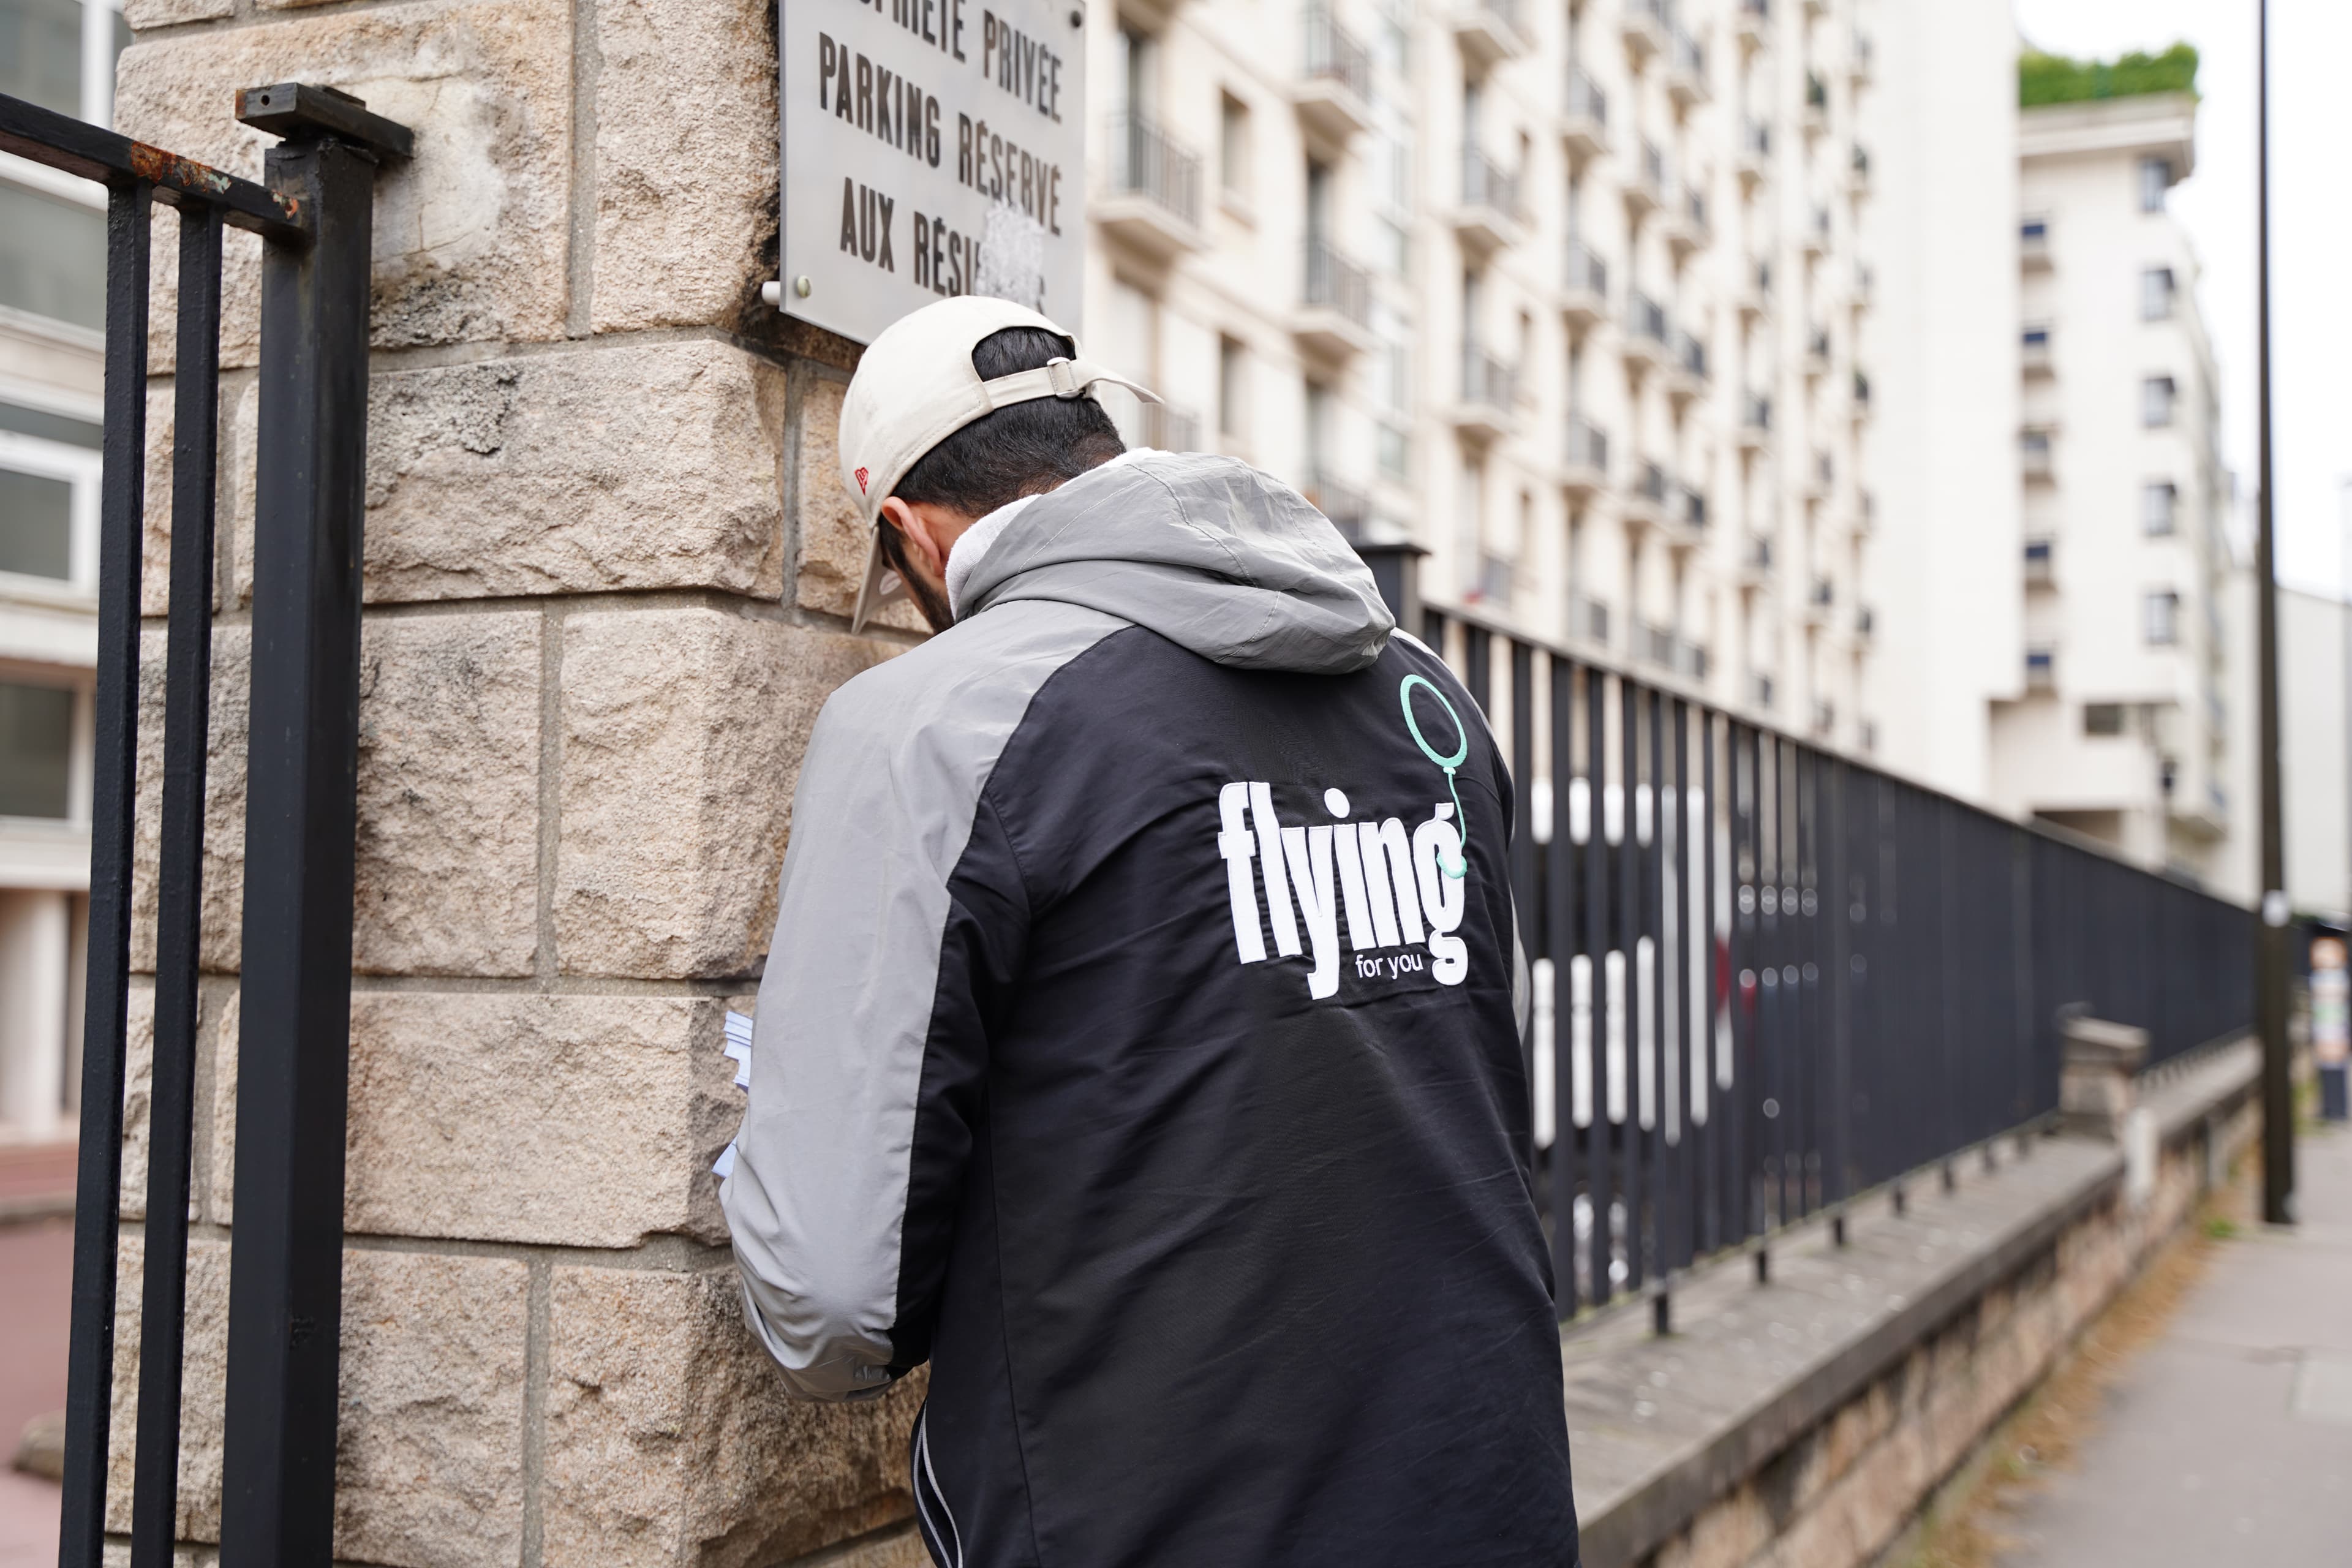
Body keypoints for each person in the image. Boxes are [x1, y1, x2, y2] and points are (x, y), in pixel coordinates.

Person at [720, 295, 1580, 1567]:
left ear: (907, 530)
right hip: (1484, 1480)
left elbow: (833, 1299)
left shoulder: (934, 720)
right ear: (1096, 446)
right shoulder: (1425, 696)